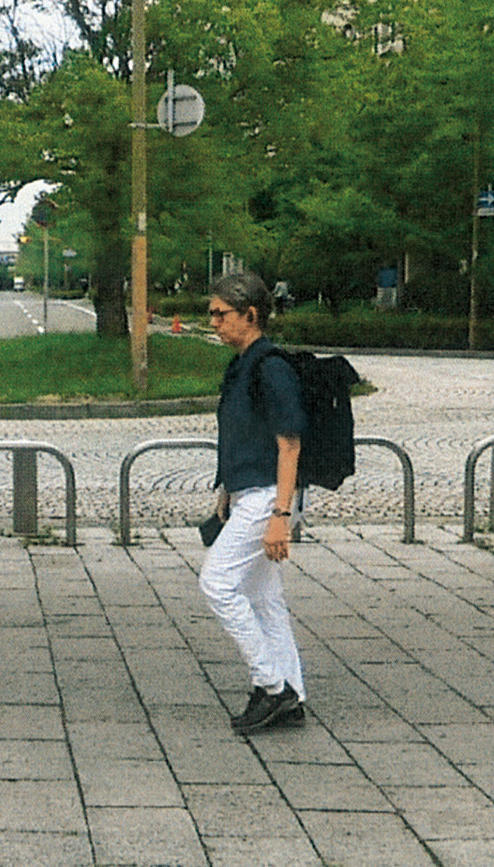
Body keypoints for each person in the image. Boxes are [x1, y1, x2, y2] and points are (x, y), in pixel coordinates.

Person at [199, 271, 308, 734]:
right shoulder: (242, 363)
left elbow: (290, 445)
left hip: (268, 496)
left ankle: (272, 687)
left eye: (221, 315)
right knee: (264, 599)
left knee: (218, 584)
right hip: (248, 492)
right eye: (211, 315)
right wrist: (227, 490)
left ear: (251, 314)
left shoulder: (271, 367)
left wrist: (280, 517)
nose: (214, 324)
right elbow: (244, 435)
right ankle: (293, 695)